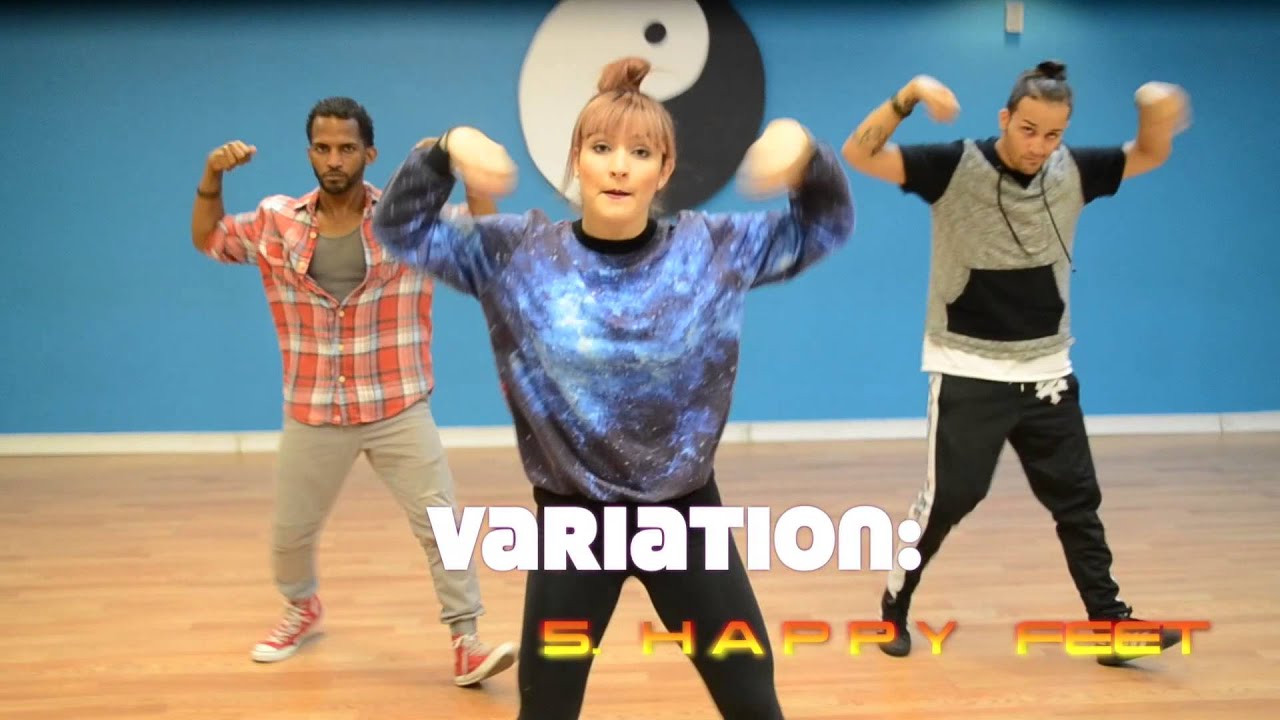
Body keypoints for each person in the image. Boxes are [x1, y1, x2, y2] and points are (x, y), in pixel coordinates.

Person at [372, 57, 854, 719]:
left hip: (683, 515)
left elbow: (823, 225)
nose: (620, 167)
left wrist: (806, 155)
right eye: (601, 149)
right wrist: (443, 151)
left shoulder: (711, 249)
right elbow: (400, 228)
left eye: (640, 153)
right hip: (574, 520)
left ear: (665, 169)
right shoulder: (517, 253)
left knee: (750, 697)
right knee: (547, 707)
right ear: (577, 160)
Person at [840, 61, 1191, 666]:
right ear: (1005, 118)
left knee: (1077, 501)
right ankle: (894, 608)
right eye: (1028, 130)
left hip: (1047, 368)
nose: (1038, 146)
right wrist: (909, 96)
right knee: (950, 501)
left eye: (1053, 134)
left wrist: (1154, 113)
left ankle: (1110, 624)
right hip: (968, 367)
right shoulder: (954, 167)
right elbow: (859, 153)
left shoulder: (1072, 171)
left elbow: (1149, 153)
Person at [190, 96, 516, 686]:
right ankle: (301, 606)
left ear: (369, 154)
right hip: (314, 408)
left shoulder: (406, 219)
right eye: (323, 148)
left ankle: (466, 639)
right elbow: (208, 238)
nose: (334, 159)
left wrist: (471, 171)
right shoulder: (276, 220)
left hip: (397, 404)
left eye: (346, 148)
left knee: (442, 524)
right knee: (291, 534)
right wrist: (213, 176)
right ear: (310, 153)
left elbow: (484, 238)